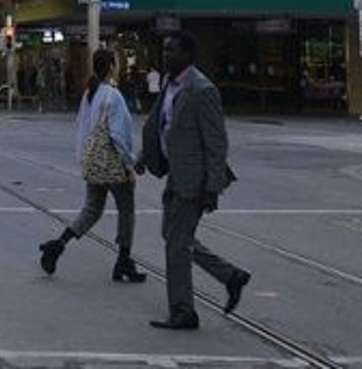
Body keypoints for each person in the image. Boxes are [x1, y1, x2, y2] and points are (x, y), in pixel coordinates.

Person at [136, 31, 250, 330]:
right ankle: (230, 275)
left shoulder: (202, 89)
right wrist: (143, 156)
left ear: (188, 55)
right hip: (176, 174)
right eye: (164, 50)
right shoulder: (170, 84)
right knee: (175, 237)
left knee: (176, 245)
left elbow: (216, 143)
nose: (166, 55)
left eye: (172, 51)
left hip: (195, 180)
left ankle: (183, 311)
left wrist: (212, 187)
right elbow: (162, 124)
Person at [37, 49, 146, 283]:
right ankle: (123, 260)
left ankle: (58, 244)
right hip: (112, 164)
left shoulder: (90, 93)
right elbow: (118, 135)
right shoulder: (113, 95)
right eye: (117, 62)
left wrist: (84, 160)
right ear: (111, 67)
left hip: (93, 163)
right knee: (126, 210)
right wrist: (130, 164)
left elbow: (82, 128)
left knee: (92, 209)